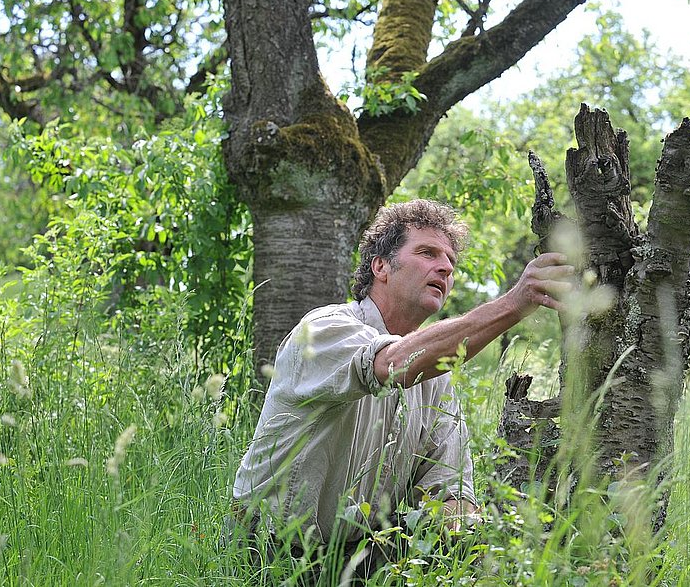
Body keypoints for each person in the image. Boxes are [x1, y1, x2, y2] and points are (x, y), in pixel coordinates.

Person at [231, 199, 573, 576]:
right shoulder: (324, 329)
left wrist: (493, 545)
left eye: (450, 262)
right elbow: (393, 365)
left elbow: (448, 491)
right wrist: (513, 303)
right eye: (426, 253)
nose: (444, 267)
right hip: (266, 555)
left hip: (362, 561)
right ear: (381, 266)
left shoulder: (438, 378)